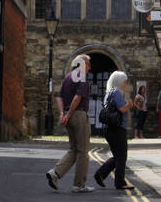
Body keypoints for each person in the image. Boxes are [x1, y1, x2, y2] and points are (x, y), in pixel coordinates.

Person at [46, 54, 93, 194]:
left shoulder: (68, 77)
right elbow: (78, 97)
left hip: (68, 115)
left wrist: (62, 114)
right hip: (78, 115)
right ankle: (79, 185)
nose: (90, 67)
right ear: (83, 64)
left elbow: (59, 97)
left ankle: (55, 173)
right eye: (89, 64)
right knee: (83, 151)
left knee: (74, 149)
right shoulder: (81, 76)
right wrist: (69, 113)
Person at [94, 70, 134, 191]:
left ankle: (100, 175)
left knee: (117, 156)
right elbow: (122, 109)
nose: (125, 84)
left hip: (109, 129)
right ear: (119, 82)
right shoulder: (117, 92)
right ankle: (120, 182)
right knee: (122, 156)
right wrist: (129, 104)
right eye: (124, 82)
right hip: (117, 129)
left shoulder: (108, 93)